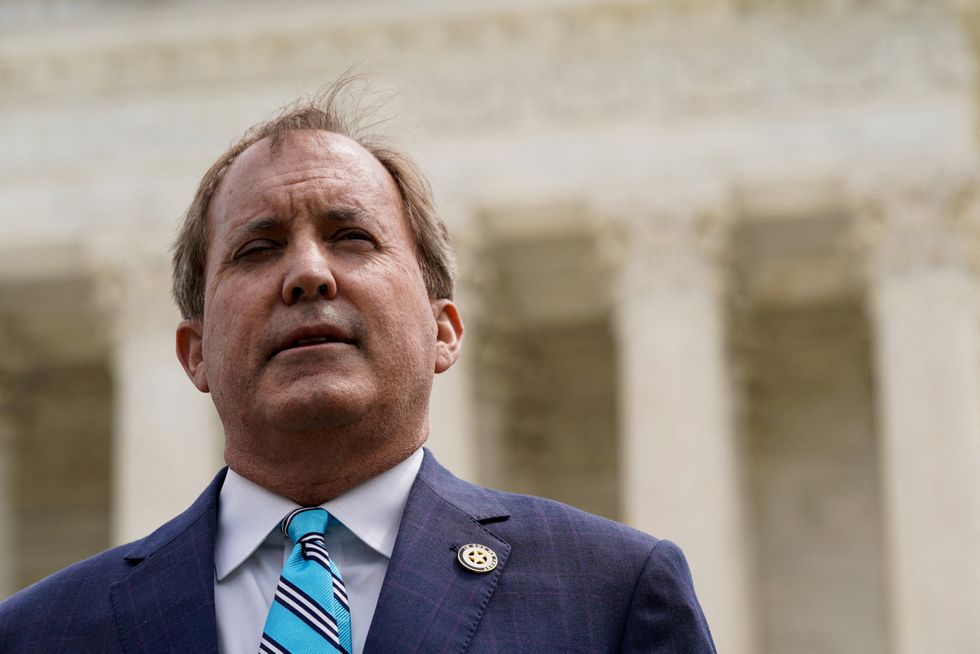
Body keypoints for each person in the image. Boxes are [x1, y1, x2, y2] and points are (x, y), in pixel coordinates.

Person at [0, 81, 716, 653]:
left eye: (351, 237)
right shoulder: (39, 634)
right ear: (195, 355)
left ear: (444, 330)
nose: (308, 274)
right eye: (257, 249)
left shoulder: (609, 593)